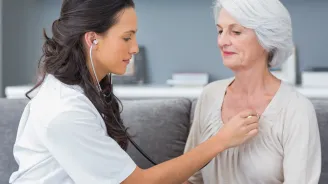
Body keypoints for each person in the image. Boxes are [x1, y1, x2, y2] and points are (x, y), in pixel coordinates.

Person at [9, 0, 260, 183]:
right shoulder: (65, 111)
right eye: (127, 37)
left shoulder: (78, 90)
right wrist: (221, 141)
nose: (135, 48)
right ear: (93, 39)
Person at [183, 0, 321, 184]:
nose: (222, 41)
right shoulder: (210, 95)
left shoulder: (296, 110)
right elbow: (191, 178)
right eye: (220, 31)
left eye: (236, 32)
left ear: (266, 38)